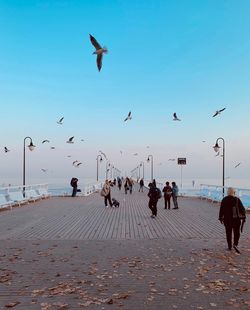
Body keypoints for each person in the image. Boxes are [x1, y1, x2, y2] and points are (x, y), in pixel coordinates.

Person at [219, 187, 246, 253]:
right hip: (236, 219)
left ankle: (229, 246)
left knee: (228, 233)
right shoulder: (237, 199)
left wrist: (220, 218)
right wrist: (243, 216)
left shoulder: (224, 199)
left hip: (227, 219)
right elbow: (242, 209)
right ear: (234, 192)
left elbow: (221, 210)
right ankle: (235, 244)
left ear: (227, 192)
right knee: (237, 233)